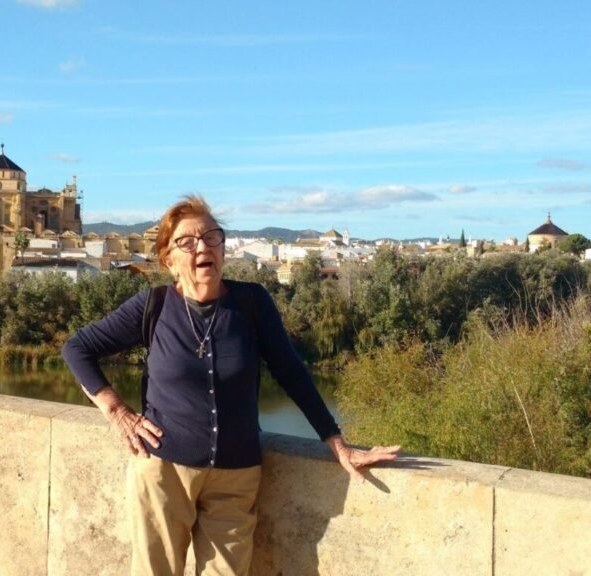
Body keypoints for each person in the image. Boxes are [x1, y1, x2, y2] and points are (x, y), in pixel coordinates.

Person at [62, 195, 400, 576]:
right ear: (169, 260)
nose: (203, 247)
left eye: (212, 237)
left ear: (223, 248)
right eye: (187, 242)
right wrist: (118, 411)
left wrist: (337, 443)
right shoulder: (152, 306)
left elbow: (291, 372)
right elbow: (78, 348)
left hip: (236, 475)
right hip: (162, 472)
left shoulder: (251, 303)